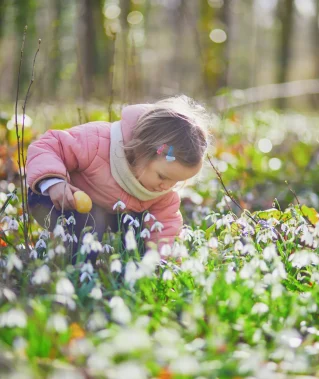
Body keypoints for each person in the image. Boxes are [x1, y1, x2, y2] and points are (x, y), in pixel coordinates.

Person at [26, 95, 210, 261]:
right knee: (90, 225)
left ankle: (133, 267)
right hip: (54, 198)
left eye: (176, 181)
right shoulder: (97, 142)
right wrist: (54, 182)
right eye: (162, 176)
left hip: (106, 214)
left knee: (140, 228)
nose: (166, 186)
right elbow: (47, 146)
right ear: (143, 151)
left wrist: (161, 259)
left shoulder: (163, 192)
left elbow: (165, 227)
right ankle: (77, 267)